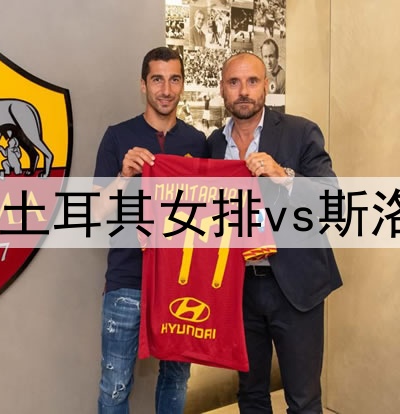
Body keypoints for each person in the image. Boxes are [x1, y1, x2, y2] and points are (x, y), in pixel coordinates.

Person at [206, 52, 342, 413]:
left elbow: (331, 199)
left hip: (295, 286)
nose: (244, 91)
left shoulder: (300, 132)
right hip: (239, 289)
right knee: (250, 394)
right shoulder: (213, 145)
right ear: (222, 89)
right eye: (234, 82)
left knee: (303, 399)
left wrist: (284, 176)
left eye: (252, 81)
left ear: (266, 85)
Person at [92, 46, 208, 414]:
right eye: (157, 79)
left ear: (183, 84)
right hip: (128, 280)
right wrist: (124, 176)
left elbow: (210, 216)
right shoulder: (117, 137)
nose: (166, 90)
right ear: (143, 84)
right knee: (115, 387)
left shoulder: (198, 143)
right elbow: (94, 213)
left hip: (181, 283)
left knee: (176, 380)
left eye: (174, 79)